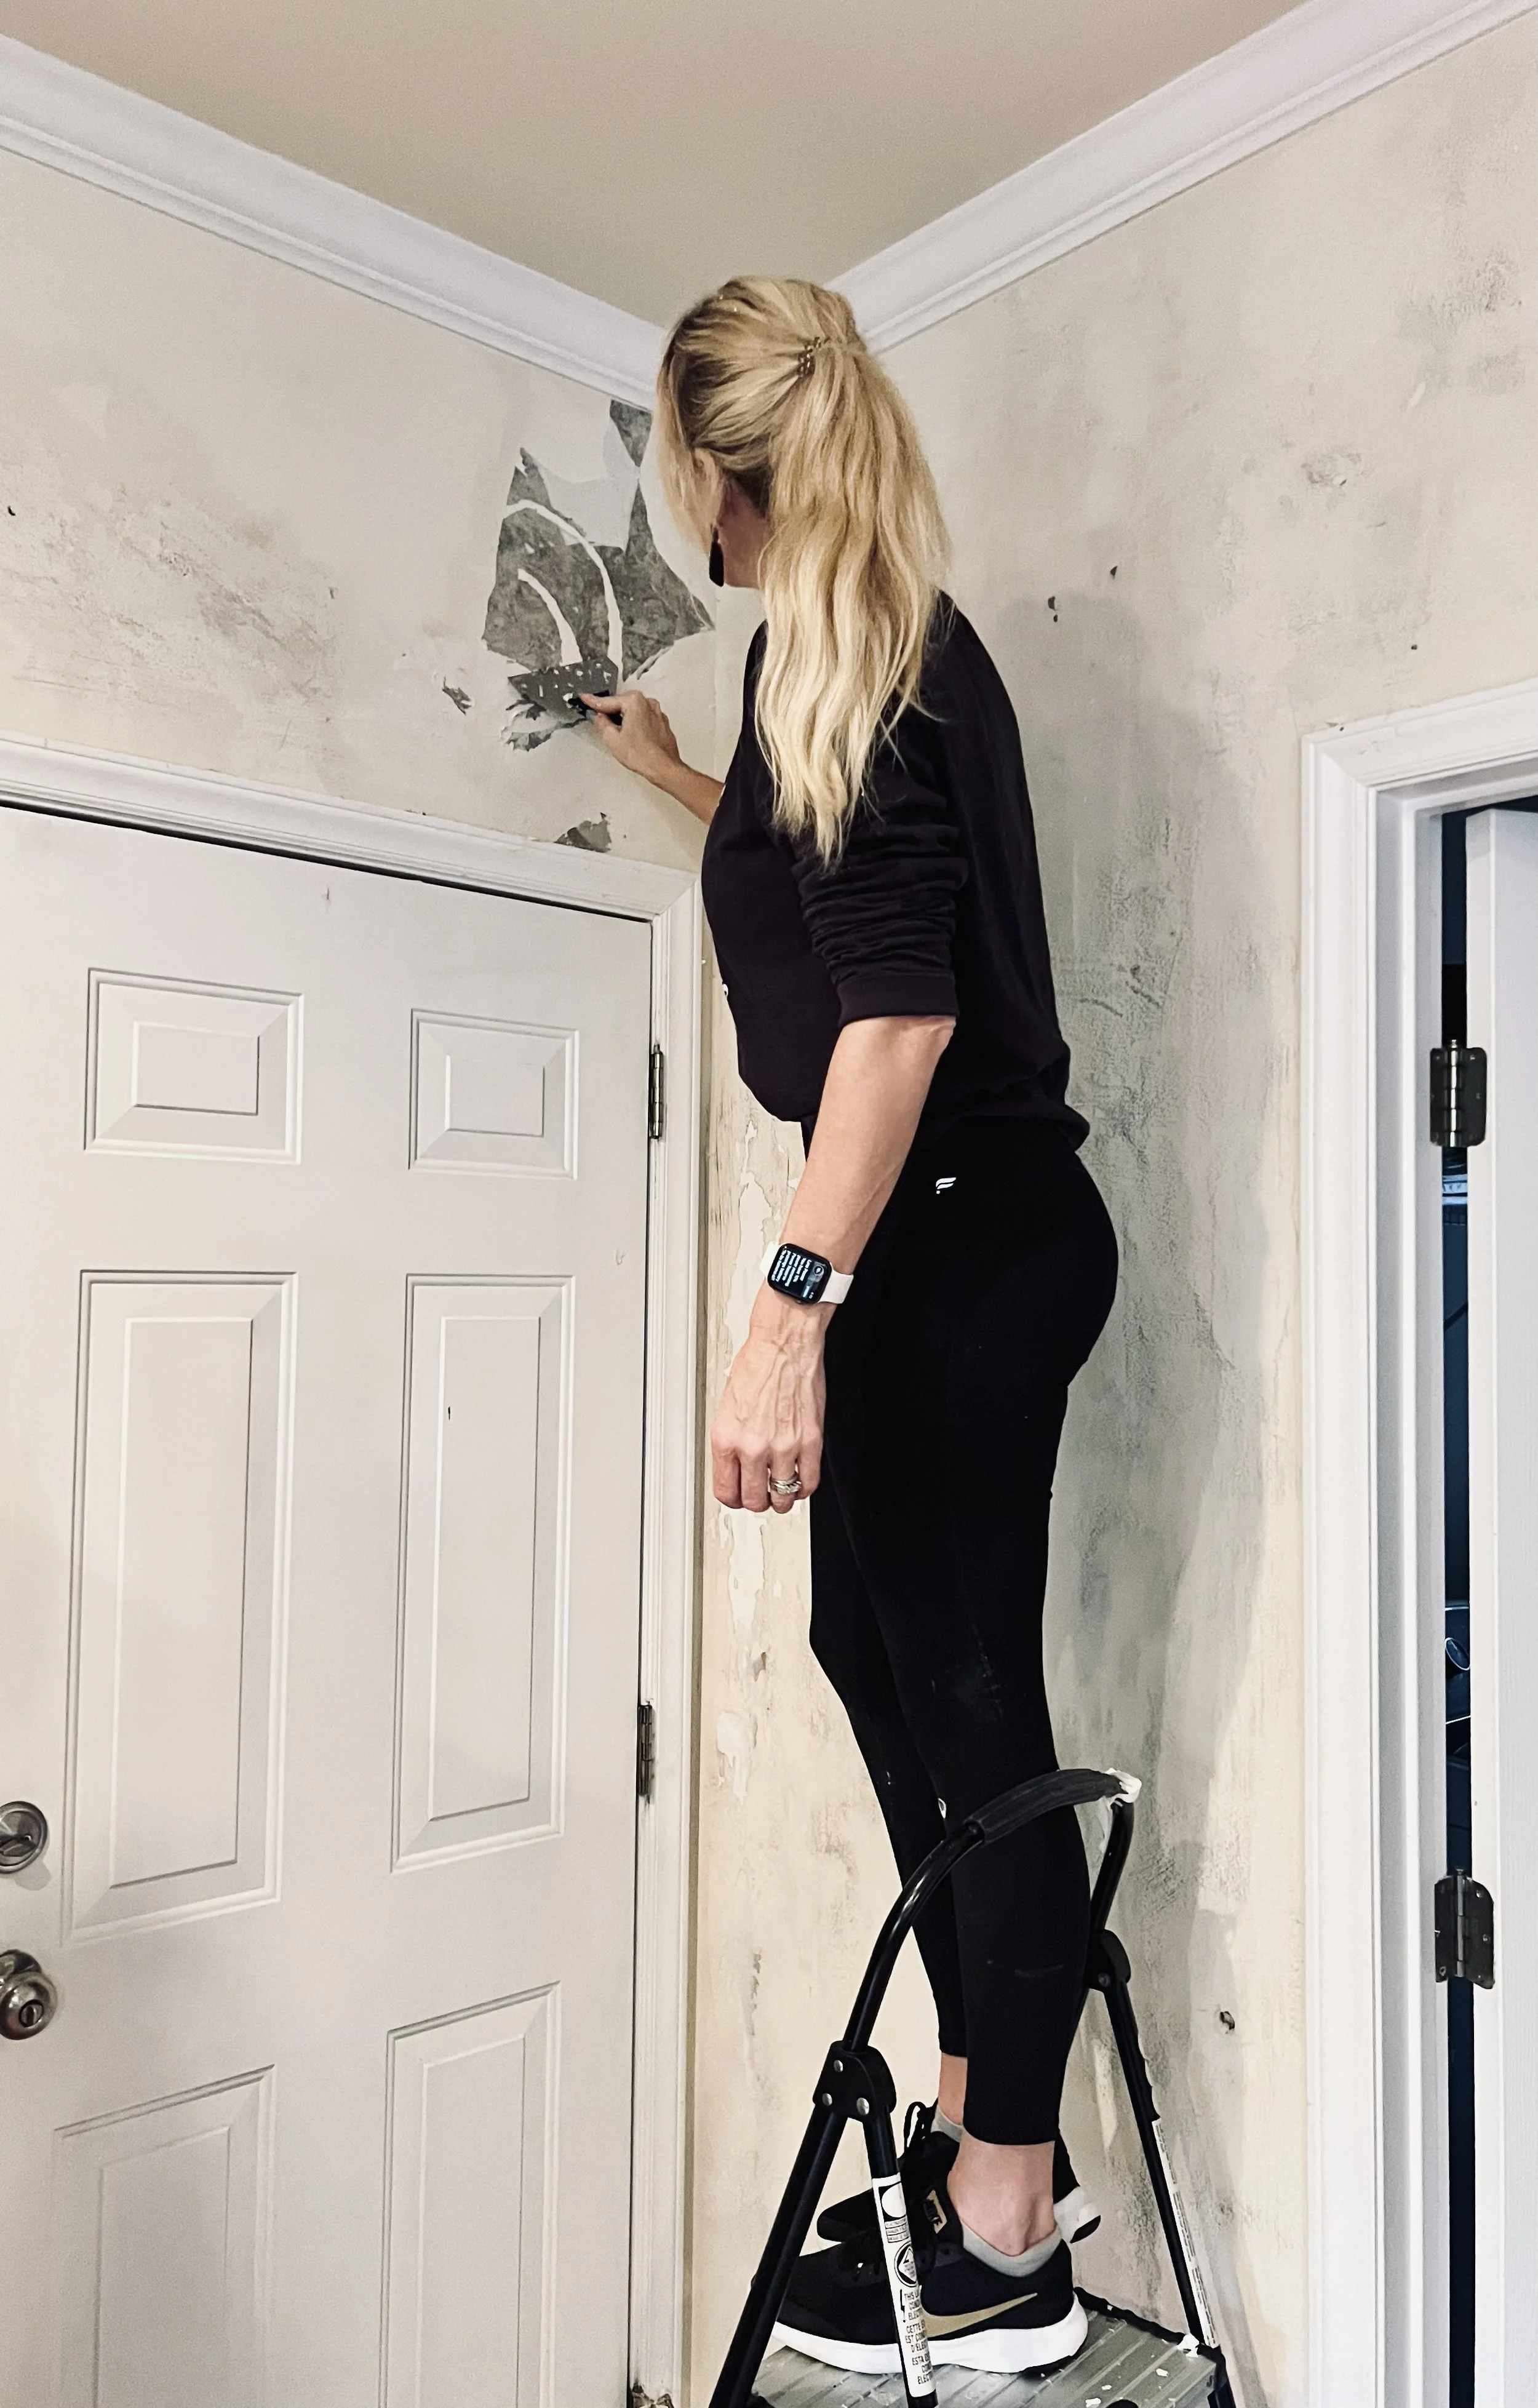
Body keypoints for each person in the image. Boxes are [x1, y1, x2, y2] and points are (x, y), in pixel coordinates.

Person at [581, 276, 1118, 2380]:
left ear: (713, 471)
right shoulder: (854, 652)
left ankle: (1007, 2222)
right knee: (872, 1651)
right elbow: (845, 896)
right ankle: (987, 2117)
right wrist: (683, 785)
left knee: (971, 1702)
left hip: (957, 1234)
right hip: (954, 1235)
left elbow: (897, 1020)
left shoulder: (856, 657)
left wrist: (782, 1317)